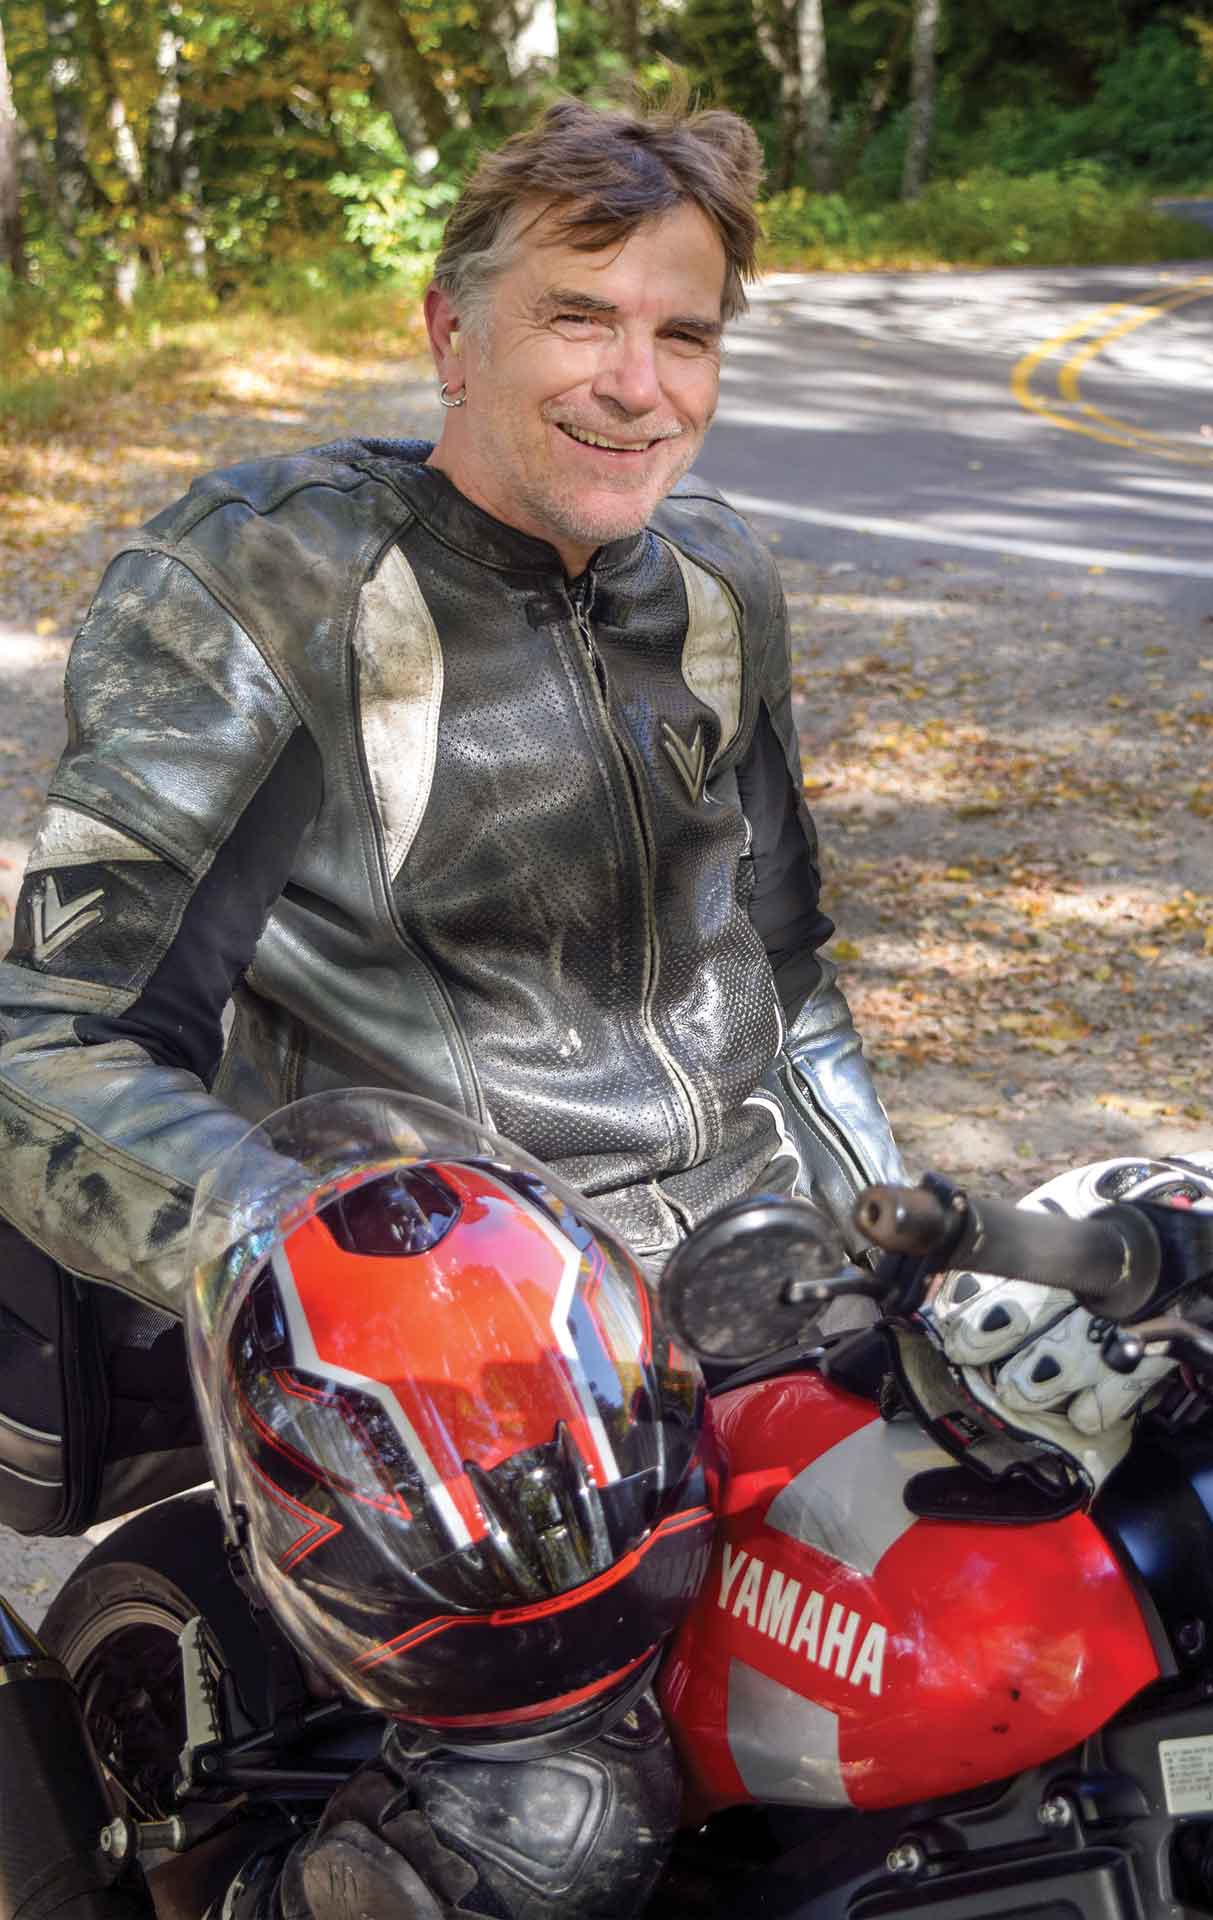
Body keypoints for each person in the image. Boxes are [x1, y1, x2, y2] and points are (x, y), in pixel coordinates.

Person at [0, 89, 907, 1920]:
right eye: (582, 319)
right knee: (544, 1848)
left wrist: (889, 1249)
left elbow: (789, 984)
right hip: (457, 1362)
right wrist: (288, 1238)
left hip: (734, 1299)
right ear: (450, 331)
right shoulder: (268, 583)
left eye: (683, 333)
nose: (637, 385)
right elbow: (46, 1044)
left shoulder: (721, 582)